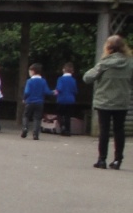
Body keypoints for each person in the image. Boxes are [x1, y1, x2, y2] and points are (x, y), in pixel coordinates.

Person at [83, 34, 132, 169]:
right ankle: (117, 160)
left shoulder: (104, 63)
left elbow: (87, 78)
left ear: (108, 47)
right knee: (119, 130)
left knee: (104, 130)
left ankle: (102, 159)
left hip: (104, 102)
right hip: (121, 102)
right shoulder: (130, 63)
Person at [20, 63, 52, 140]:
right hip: (40, 102)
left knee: (26, 116)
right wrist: (53, 92)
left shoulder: (29, 81)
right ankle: (35, 134)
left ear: (33, 71)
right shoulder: (43, 81)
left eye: (29, 71)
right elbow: (47, 92)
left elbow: (27, 92)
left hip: (30, 102)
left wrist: (24, 98)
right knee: (37, 118)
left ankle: (25, 128)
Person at [54, 63, 78, 137]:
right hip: (70, 100)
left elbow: (59, 88)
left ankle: (62, 127)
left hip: (61, 99)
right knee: (68, 116)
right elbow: (75, 91)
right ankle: (68, 130)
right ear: (72, 71)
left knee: (60, 114)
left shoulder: (60, 79)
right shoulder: (73, 80)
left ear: (63, 70)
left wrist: (56, 93)